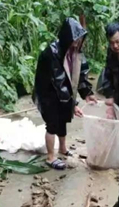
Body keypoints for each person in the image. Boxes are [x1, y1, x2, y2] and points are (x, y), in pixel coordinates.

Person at [34, 18, 96, 170]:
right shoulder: (52, 53)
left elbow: (81, 74)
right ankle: (50, 157)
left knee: (63, 119)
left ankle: (62, 148)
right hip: (47, 91)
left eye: (79, 40)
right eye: (74, 40)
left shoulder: (75, 52)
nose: (76, 43)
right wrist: (73, 104)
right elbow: (59, 82)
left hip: (63, 91)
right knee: (52, 123)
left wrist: (87, 93)